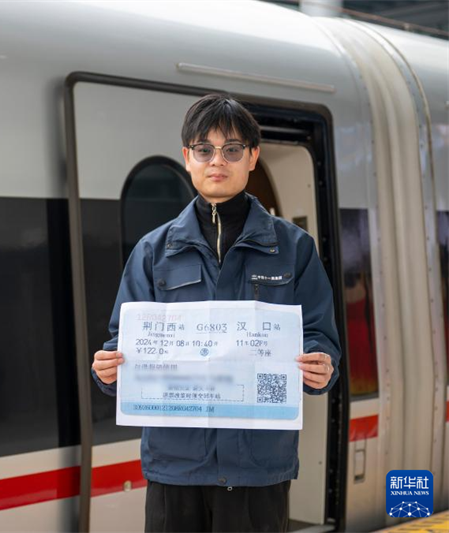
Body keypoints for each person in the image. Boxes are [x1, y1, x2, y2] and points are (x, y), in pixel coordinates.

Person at [91, 94, 341, 533]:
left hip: (258, 467)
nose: (217, 161)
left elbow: (320, 335)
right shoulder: (152, 252)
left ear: (252, 157)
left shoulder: (294, 248)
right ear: (187, 158)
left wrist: (322, 364)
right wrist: (108, 369)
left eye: (231, 149)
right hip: (176, 467)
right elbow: (121, 344)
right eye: (204, 150)